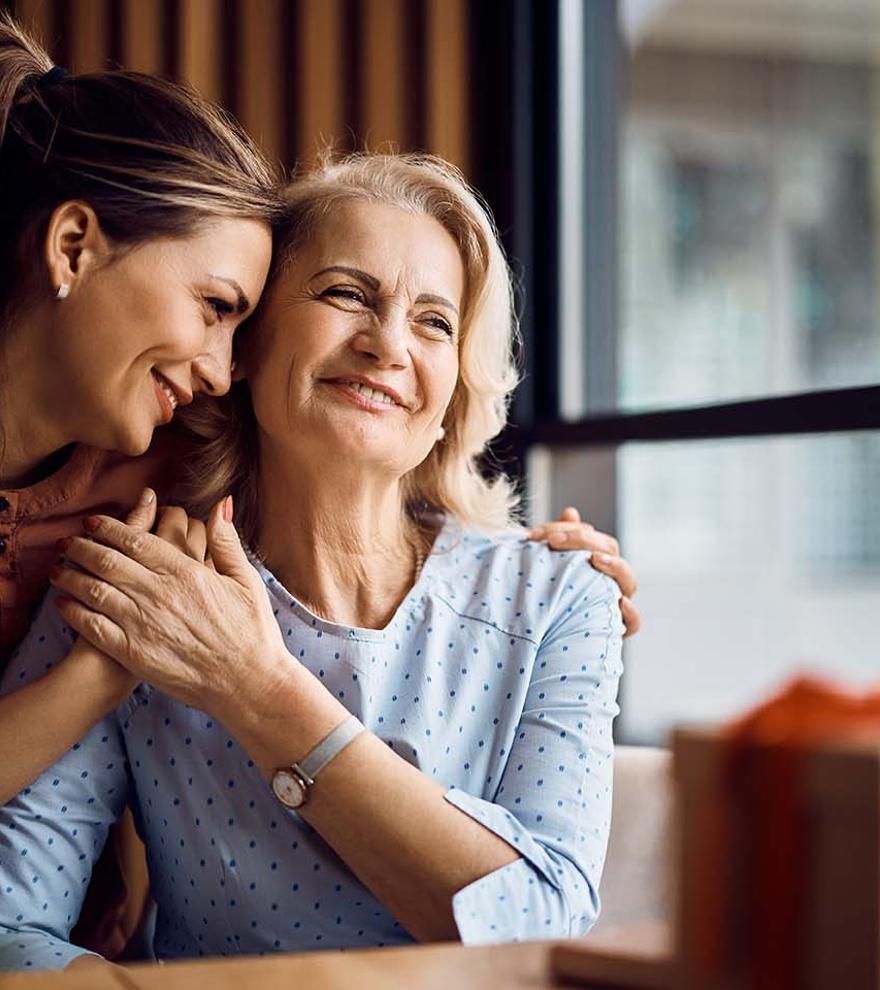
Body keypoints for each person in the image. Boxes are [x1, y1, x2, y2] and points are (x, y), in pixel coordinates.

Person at [0, 154, 625, 970]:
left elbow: (549, 926)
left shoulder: (561, 598)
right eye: (345, 294)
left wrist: (261, 693)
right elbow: (13, 928)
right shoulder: (142, 586)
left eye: (435, 322)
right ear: (246, 345)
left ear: (453, 396)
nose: (388, 343)